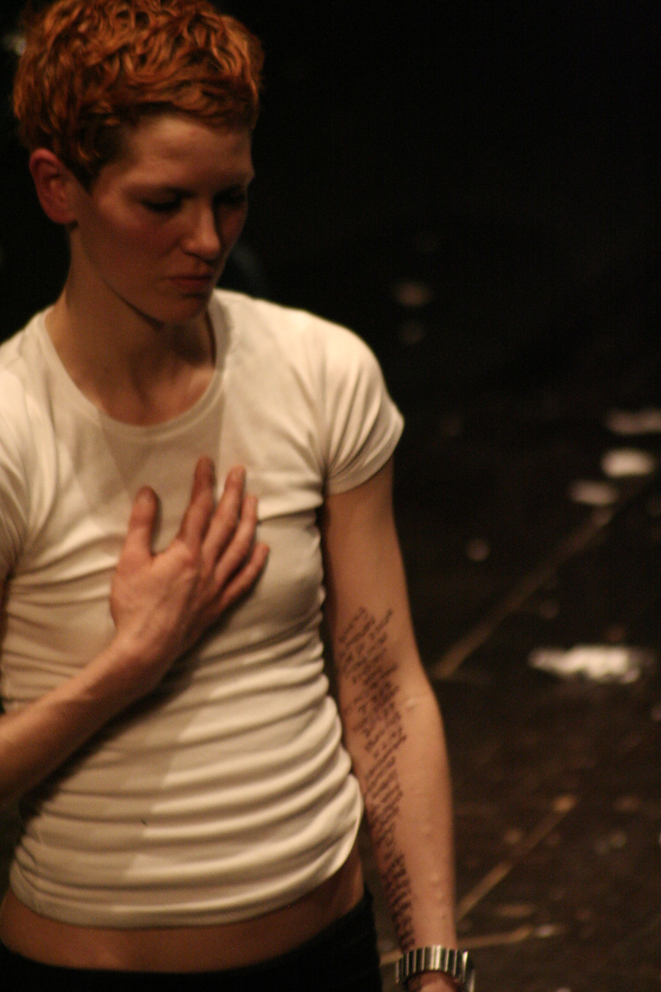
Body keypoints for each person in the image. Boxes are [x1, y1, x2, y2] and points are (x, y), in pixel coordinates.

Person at [0, 2, 467, 990]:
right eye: (163, 203)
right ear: (58, 186)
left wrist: (433, 966)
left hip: (325, 953)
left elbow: (384, 688)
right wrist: (130, 664)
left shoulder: (318, 370)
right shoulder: (11, 424)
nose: (206, 240)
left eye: (232, 199)